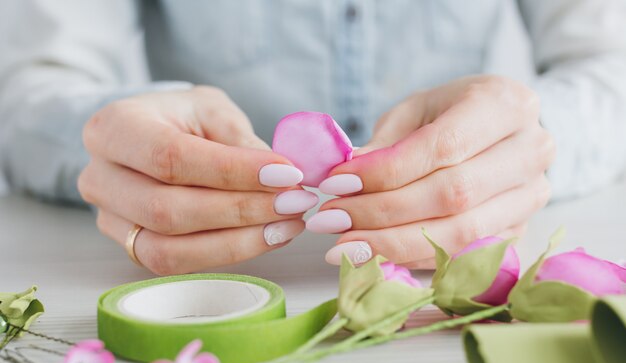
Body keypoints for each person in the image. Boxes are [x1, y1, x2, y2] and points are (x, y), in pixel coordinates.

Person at [0, 1, 624, 275]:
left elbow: (608, 65)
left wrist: (530, 140)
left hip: (437, 282)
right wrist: (117, 143)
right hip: (224, 284)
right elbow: (32, 88)